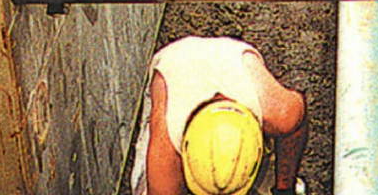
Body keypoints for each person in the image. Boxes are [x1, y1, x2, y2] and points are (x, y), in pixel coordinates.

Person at [132, 36, 309, 195]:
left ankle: (269, 177)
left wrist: (284, 189)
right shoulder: (166, 152)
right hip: (174, 62)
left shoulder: (281, 113)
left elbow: (296, 125)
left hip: (230, 56)